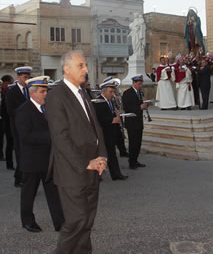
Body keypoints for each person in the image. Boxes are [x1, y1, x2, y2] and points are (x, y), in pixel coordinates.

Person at [46, 50, 107, 253]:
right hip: (72, 171)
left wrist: (102, 156)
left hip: (92, 167)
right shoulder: (56, 95)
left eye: (85, 65)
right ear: (66, 68)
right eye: (81, 65)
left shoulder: (83, 92)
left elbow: (95, 127)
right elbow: (60, 138)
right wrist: (85, 163)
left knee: (87, 220)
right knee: (76, 221)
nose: (86, 69)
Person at [15, 76, 64, 233]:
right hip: (32, 161)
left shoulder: (48, 108)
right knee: (29, 193)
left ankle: (60, 222)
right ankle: (27, 221)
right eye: (43, 91)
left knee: (54, 192)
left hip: (49, 159)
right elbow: (26, 136)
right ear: (33, 93)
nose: (46, 94)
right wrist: (51, 136)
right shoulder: (23, 110)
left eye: (46, 91)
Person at [93, 79, 128, 181]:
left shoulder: (110, 101)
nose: (112, 94)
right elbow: (98, 118)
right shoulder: (98, 101)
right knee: (100, 155)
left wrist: (116, 116)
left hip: (110, 132)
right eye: (110, 92)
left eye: (113, 92)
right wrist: (111, 120)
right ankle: (96, 175)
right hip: (102, 132)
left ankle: (116, 174)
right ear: (103, 91)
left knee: (111, 154)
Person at [6, 66, 33, 188]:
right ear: (18, 77)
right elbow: (10, 110)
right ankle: (21, 178)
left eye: (28, 77)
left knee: (27, 152)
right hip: (18, 126)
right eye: (25, 77)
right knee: (20, 152)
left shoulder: (30, 90)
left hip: (30, 125)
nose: (27, 79)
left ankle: (21, 176)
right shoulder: (11, 92)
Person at [122, 74, 148, 170]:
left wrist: (145, 104)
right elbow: (126, 108)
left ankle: (135, 160)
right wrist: (139, 107)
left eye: (141, 84)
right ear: (134, 83)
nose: (140, 86)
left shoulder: (140, 93)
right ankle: (131, 162)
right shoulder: (127, 93)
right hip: (131, 122)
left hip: (139, 121)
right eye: (139, 84)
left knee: (138, 143)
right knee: (133, 143)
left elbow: (140, 105)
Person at [1, 74, 15, 170]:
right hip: (8, 122)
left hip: (14, 122)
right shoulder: (5, 95)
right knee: (10, 143)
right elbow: (3, 111)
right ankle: (9, 164)